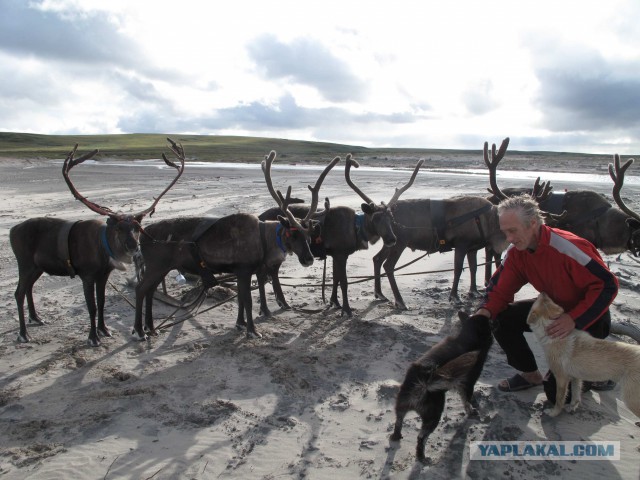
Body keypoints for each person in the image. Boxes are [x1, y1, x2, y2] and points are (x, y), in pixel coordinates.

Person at [474, 195, 618, 396]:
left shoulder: (567, 247)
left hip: (589, 317)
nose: (509, 239)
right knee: (500, 318)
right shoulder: (517, 252)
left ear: (533, 223)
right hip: (555, 310)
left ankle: (597, 369)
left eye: (513, 231)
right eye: (505, 232)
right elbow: (499, 290)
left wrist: (573, 319)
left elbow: (607, 285)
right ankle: (530, 374)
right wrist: (482, 314)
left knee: (557, 394)